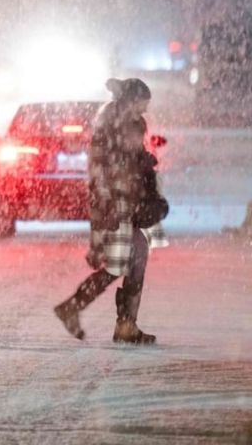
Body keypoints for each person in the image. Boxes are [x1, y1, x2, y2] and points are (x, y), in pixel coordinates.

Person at [53, 77, 167, 345]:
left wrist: (144, 161)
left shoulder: (132, 123)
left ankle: (124, 324)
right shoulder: (109, 126)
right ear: (131, 101)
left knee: (135, 257)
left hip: (130, 204)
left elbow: (131, 158)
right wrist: (106, 205)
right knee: (122, 263)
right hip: (115, 205)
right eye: (142, 104)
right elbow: (99, 170)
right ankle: (84, 311)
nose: (145, 110)